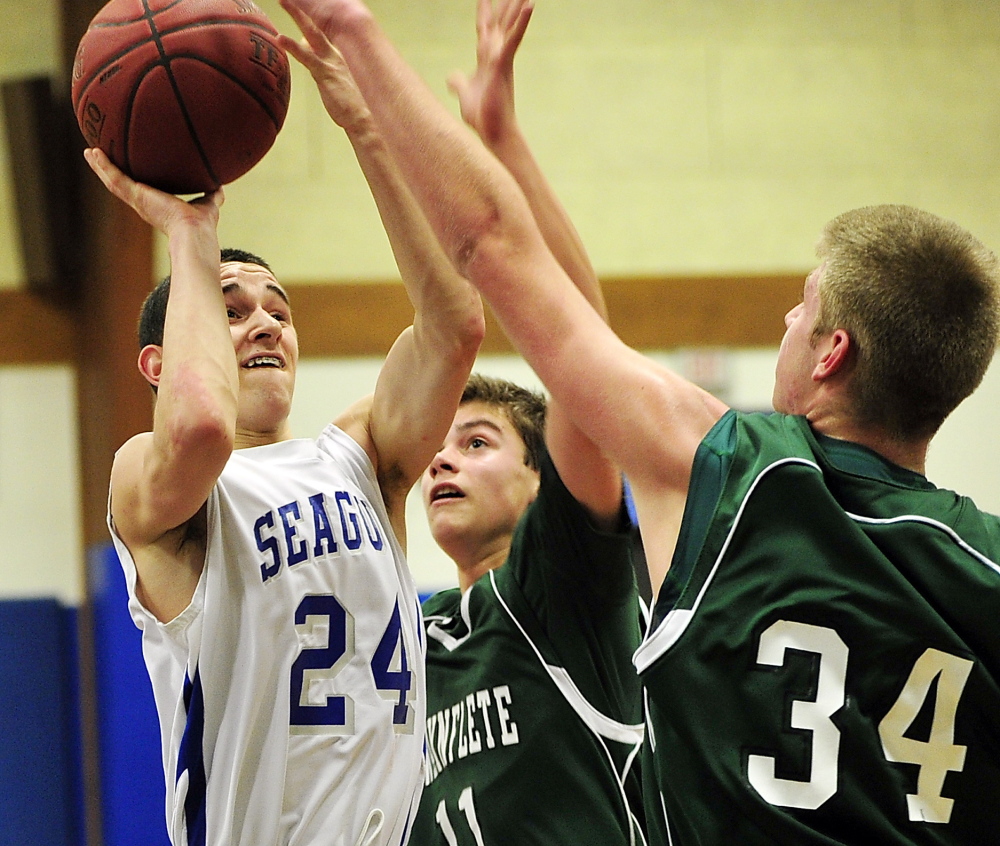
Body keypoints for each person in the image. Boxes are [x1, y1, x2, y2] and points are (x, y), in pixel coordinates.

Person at [280, 1, 1000, 843]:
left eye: (802, 310)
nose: (784, 323)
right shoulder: (984, 562)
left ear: (833, 353)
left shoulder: (731, 471)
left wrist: (356, 31)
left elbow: (495, 249)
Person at [87, 22, 485, 845]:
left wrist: (366, 128)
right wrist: (190, 235)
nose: (265, 323)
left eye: (278, 310)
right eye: (231, 310)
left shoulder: (364, 458)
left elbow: (456, 324)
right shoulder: (148, 481)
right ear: (157, 363)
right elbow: (198, 427)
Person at [403, 5, 645, 842]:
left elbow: (584, 344)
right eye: (439, 449)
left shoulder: (561, 579)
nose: (442, 464)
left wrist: (501, 145)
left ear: (546, 478)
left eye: (475, 444)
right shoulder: (416, 632)